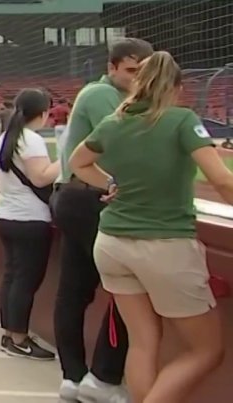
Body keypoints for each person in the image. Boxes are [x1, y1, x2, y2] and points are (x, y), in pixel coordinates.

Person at [70, 51, 233, 403]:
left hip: (112, 242)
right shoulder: (181, 120)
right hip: (164, 245)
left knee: (143, 342)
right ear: (177, 87)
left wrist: (108, 184)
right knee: (206, 350)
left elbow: (77, 161)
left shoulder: (114, 121)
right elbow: (221, 180)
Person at [52, 37, 153, 403]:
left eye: (143, 71)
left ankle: (76, 377)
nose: (137, 78)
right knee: (126, 286)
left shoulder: (110, 95)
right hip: (87, 198)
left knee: (76, 290)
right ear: (111, 68)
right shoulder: (101, 95)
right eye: (130, 71)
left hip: (80, 196)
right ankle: (103, 377)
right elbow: (126, 143)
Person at [0, 88, 60, 360]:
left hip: (7, 214)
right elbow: (41, 178)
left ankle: (11, 333)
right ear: (43, 113)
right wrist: (65, 160)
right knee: (25, 279)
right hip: (29, 218)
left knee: (12, 276)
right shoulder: (30, 139)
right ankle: (18, 337)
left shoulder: (5, 138)